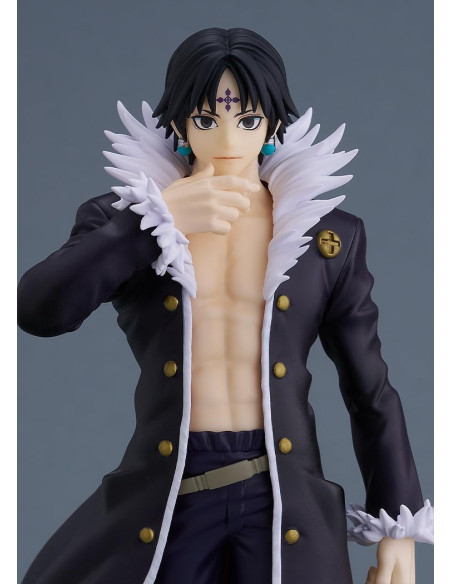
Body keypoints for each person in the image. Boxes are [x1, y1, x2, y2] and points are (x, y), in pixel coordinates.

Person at [18, 27, 433, 584]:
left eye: (249, 118)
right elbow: (40, 311)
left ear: (273, 123)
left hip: (283, 496)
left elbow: (369, 387)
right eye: (207, 119)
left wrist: (397, 528)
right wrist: (150, 223)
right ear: (180, 123)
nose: (229, 136)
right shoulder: (124, 220)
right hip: (171, 490)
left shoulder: (325, 237)